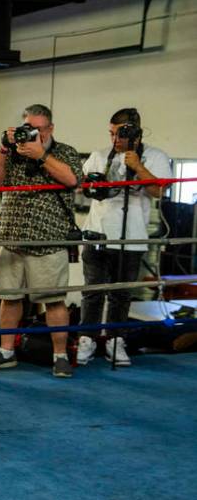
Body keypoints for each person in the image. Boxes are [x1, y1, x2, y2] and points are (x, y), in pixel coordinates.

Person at [0, 104, 83, 378]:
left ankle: (60, 356)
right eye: (28, 127)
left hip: (47, 239)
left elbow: (71, 179)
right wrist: (4, 150)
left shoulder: (65, 152)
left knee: (54, 300)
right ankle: (6, 352)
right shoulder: (14, 152)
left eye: (37, 128)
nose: (31, 133)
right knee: (9, 297)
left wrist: (41, 155)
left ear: (49, 129)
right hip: (11, 236)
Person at [77, 108, 171, 366]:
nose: (114, 139)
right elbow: (84, 188)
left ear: (135, 133)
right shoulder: (98, 156)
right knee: (92, 292)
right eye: (111, 133)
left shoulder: (155, 156)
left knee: (121, 294)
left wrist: (137, 166)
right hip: (97, 232)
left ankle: (115, 340)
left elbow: (159, 191)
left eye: (120, 133)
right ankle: (87, 339)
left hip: (132, 237)